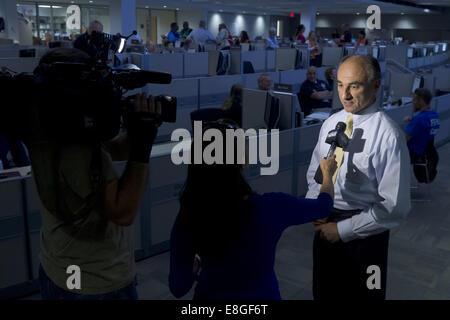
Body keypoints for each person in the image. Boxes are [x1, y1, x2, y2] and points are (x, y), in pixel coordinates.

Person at [26, 48, 161, 299]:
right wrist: (142, 148)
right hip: (94, 281)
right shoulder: (74, 149)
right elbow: (123, 211)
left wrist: (138, 130)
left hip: (59, 264)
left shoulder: (55, 125)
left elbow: (113, 149)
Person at [169, 119, 337, 300]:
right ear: (242, 161)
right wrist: (327, 174)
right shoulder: (271, 207)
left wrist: (195, 269)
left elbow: (178, 288)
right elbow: (323, 206)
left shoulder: (188, 216)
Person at [306, 54, 411, 300]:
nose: (345, 95)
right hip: (324, 225)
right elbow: (315, 173)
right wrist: (315, 206)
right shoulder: (332, 122)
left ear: (376, 85)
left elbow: (394, 207)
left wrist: (342, 230)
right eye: (340, 85)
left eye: (354, 86)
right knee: (323, 293)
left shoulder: (388, 135)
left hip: (364, 234)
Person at [404, 88, 440, 160]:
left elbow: (404, 140)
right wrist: (412, 120)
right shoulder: (435, 115)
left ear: (421, 101)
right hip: (428, 154)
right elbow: (425, 126)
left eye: (414, 99)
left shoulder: (418, 120)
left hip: (414, 154)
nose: (412, 102)